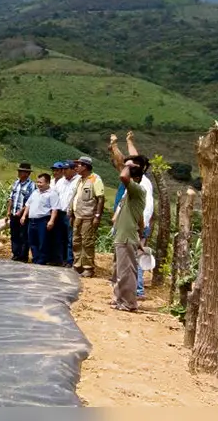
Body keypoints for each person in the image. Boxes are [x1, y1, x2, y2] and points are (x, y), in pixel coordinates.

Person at [109, 132, 154, 294]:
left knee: (134, 259)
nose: (123, 167)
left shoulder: (142, 184)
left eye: (129, 166)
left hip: (133, 227)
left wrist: (140, 226)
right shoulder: (133, 185)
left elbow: (146, 208)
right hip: (125, 226)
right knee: (124, 261)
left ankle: (137, 290)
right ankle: (125, 291)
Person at [111, 155, 149, 312]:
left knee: (126, 273)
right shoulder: (131, 194)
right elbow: (140, 218)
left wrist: (126, 165)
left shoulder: (138, 189)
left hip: (126, 237)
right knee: (121, 271)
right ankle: (121, 300)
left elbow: (123, 176)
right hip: (125, 236)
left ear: (137, 178)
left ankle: (129, 303)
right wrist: (140, 236)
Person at [70, 156, 105, 278]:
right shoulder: (80, 180)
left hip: (88, 217)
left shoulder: (95, 179)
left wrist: (97, 216)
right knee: (76, 241)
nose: (76, 167)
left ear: (85, 166)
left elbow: (100, 198)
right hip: (77, 216)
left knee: (87, 242)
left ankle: (88, 267)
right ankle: (77, 265)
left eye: (78, 165)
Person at [20, 173, 59, 265]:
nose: (38, 184)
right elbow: (28, 205)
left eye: (41, 182)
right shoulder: (35, 192)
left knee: (43, 241)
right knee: (32, 241)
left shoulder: (52, 194)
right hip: (32, 220)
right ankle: (35, 258)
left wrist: (51, 221)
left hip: (43, 220)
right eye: (37, 182)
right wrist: (23, 216)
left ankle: (42, 260)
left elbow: (54, 208)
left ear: (48, 183)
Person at [5, 162, 34, 262]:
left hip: (24, 215)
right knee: (14, 234)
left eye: (21, 171)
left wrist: (21, 212)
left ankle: (23, 256)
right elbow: (11, 198)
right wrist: (9, 211)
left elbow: (30, 201)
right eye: (19, 171)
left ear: (27, 173)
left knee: (23, 235)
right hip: (14, 214)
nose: (19, 173)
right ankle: (15, 253)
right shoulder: (16, 183)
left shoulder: (31, 185)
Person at [60, 160, 81, 267]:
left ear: (73, 169)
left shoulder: (78, 181)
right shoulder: (61, 181)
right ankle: (62, 259)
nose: (63, 171)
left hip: (70, 214)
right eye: (63, 169)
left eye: (66, 169)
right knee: (61, 238)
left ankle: (70, 260)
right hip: (60, 213)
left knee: (70, 238)